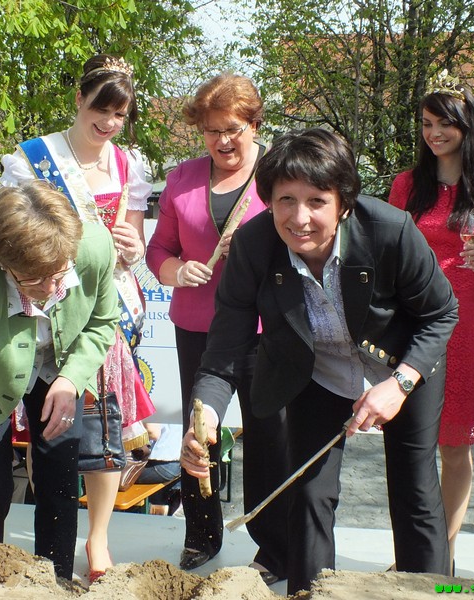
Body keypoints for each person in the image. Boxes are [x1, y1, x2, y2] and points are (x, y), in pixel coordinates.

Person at [180, 128, 459, 594]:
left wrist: (401, 383)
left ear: (343, 203)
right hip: (315, 370)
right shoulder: (252, 246)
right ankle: (311, 592)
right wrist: (203, 415)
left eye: (316, 201)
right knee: (308, 492)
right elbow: (225, 347)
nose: (299, 217)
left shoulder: (390, 231)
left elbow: (441, 312)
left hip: (403, 365)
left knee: (414, 490)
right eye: (285, 200)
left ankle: (425, 589)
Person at [0, 53, 155, 582]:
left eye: (120, 113)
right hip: (45, 306)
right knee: (54, 429)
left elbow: (132, 244)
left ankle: (98, 538)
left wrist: (133, 246)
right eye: (100, 109)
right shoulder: (34, 159)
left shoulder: (129, 164)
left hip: (107, 306)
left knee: (103, 425)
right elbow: (13, 235)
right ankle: (52, 542)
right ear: (79, 99)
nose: (109, 123)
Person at [0, 180, 119, 591]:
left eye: (60, 275)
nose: (52, 291)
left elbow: (102, 323)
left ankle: (56, 583)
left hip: (59, 367)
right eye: (35, 280)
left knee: (59, 485)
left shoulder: (94, 246)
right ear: (2, 264)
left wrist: (71, 378)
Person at [146, 72, 289, 582]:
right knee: (197, 430)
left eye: (233, 128)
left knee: (270, 435)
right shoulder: (182, 178)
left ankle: (274, 547)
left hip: (265, 327)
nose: (223, 141)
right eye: (211, 131)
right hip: (197, 325)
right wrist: (176, 272)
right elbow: (157, 250)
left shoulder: (281, 174)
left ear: (255, 124)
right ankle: (201, 535)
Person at [388, 72, 474, 566]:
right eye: (426, 123)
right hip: (412, 322)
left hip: (462, 329)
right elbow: (388, 252)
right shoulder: (406, 185)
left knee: (454, 446)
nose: (434, 133)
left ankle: (440, 553)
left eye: (445, 122)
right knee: (411, 447)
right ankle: (414, 552)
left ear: (467, 125)